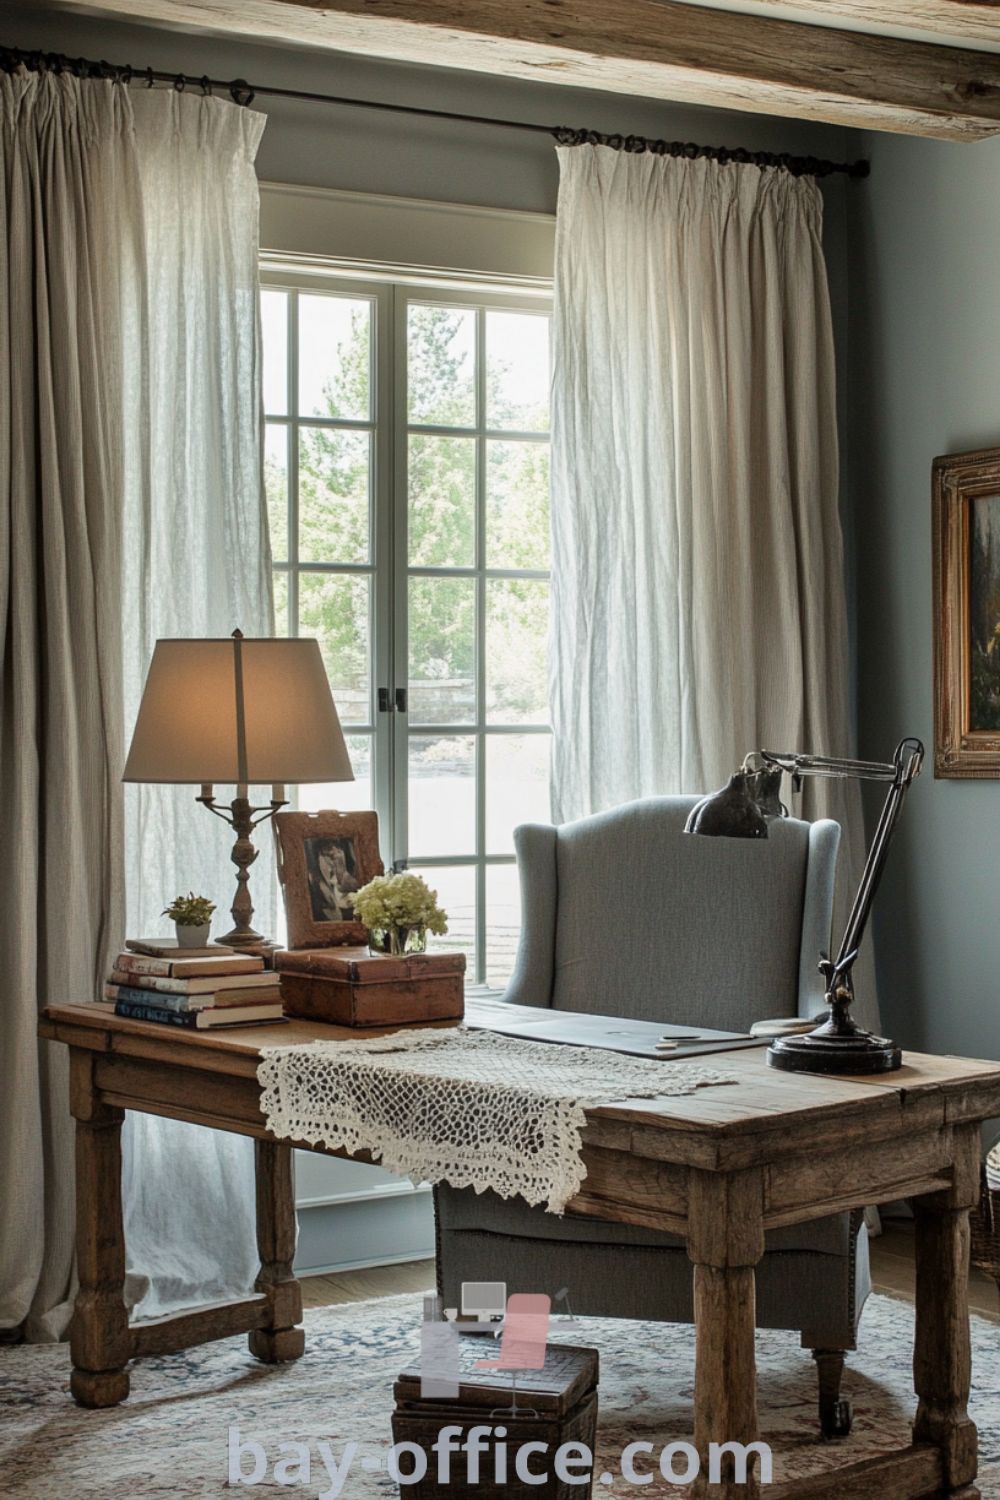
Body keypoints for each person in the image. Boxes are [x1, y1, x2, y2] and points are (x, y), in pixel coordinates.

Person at [311, 838, 359, 922]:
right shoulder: (315, 880)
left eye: (338, 847)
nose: (333, 853)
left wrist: (342, 873)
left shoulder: (352, 875)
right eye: (327, 849)